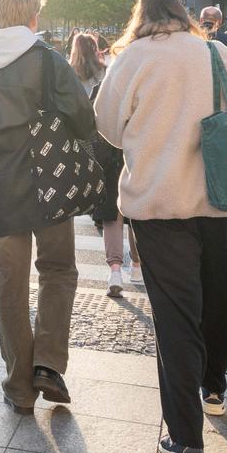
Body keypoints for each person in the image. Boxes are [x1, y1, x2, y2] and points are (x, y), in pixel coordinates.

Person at [95, 0, 227, 453]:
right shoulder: (214, 52)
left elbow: (107, 123)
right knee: (220, 297)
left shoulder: (130, 61)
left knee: (175, 318)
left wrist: (149, 129)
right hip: (220, 201)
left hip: (159, 204)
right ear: (182, 14)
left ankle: (186, 439)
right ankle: (214, 386)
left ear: (141, 17)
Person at [0, 0, 92, 416]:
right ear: (33, 17)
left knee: (9, 286)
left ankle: (19, 385)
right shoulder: (47, 62)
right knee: (59, 270)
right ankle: (48, 363)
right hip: (49, 184)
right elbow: (84, 119)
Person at [70, 33, 140, 295]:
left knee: (111, 215)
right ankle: (136, 264)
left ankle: (114, 271)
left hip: (107, 156)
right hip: (134, 155)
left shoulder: (99, 86)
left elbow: (94, 123)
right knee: (135, 215)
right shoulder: (138, 87)